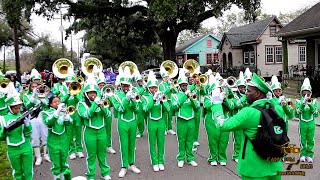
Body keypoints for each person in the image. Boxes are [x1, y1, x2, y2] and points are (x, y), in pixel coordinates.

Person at [217, 73, 283, 179]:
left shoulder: (248, 112)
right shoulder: (278, 109)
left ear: (257, 93)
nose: (246, 93)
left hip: (253, 169)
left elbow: (222, 126)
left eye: (249, 91)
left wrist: (216, 104)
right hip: (275, 166)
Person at [77, 75, 112, 180]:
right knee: (91, 155)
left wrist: (101, 106)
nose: (92, 94)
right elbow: (86, 115)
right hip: (90, 132)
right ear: (86, 94)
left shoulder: (102, 101)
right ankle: (91, 175)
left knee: (102, 154)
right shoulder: (82, 104)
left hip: (102, 131)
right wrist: (94, 105)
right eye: (90, 92)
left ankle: (105, 173)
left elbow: (108, 115)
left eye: (94, 92)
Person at [109, 66, 141, 178]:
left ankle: (132, 164)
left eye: (127, 85)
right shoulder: (116, 96)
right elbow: (120, 110)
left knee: (132, 144)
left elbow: (137, 110)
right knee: (124, 145)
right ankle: (124, 166)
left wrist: (132, 101)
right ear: (121, 85)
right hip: (122, 122)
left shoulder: (134, 93)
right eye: (124, 85)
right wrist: (127, 100)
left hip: (133, 121)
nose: (125, 87)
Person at [0, 83, 33, 180]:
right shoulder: (2, 119)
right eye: (15, 108)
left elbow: (28, 134)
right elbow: (1, 138)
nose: (18, 110)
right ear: (10, 107)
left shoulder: (22, 115)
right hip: (12, 149)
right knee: (17, 172)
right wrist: (4, 131)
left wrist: (27, 125)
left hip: (26, 146)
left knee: (28, 171)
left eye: (19, 107)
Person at [142, 70, 170, 172]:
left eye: (155, 87)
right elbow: (145, 109)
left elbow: (168, 109)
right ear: (149, 88)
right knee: (152, 143)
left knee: (161, 142)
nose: (154, 89)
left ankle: (161, 161)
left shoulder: (162, 95)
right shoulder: (145, 97)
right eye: (152, 88)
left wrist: (162, 101)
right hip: (151, 122)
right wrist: (153, 100)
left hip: (161, 122)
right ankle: (154, 162)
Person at [171, 69, 200, 168]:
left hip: (191, 120)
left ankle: (190, 158)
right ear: (179, 86)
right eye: (182, 85)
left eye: (185, 85)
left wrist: (191, 98)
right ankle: (181, 158)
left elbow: (196, 107)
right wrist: (185, 96)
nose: (184, 87)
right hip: (181, 120)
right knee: (182, 140)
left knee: (190, 140)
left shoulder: (192, 95)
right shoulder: (175, 95)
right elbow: (174, 106)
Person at [42, 95, 72, 180]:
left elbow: (69, 125)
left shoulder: (63, 111)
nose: (58, 103)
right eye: (55, 102)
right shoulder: (46, 113)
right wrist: (58, 112)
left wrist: (66, 116)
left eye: (59, 101)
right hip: (53, 142)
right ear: (51, 104)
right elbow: (49, 122)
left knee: (64, 163)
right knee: (56, 164)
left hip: (64, 141)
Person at [23, 80, 51, 166]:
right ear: (30, 88)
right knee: (35, 137)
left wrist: (43, 99)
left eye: (36, 86)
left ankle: (46, 154)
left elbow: (47, 106)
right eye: (33, 87)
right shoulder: (26, 95)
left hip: (42, 116)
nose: (35, 88)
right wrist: (34, 96)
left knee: (45, 135)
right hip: (32, 118)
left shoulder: (42, 94)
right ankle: (38, 156)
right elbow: (27, 106)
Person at [295, 78, 318, 163]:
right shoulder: (298, 101)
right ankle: (302, 154)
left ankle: (309, 155)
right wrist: (303, 104)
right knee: (302, 139)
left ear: (310, 93)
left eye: (308, 93)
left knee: (311, 140)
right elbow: (298, 111)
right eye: (304, 92)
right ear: (301, 93)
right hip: (302, 124)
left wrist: (310, 104)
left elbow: (315, 112)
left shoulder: (314, 101)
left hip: (311, 124)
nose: (306, 94)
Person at [132, 70, 147, 138]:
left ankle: (150, 131)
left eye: (141, 81)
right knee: (140, 120)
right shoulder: (135, 88)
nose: (141, 82)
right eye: (139, 81)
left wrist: (146, 87)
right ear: (137, 82)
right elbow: (136, 95)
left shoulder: (146, 87)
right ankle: (140, 132)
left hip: (146, 103)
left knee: (148, 119)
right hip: (140, 105)